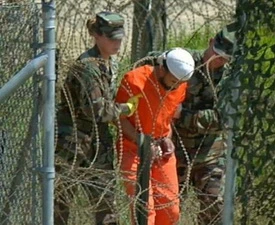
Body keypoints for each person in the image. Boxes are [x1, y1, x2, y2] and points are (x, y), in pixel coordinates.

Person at [54, 11, 140, 225]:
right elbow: (95, 110)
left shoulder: (107, 63)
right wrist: (124, 109)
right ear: (97, 36)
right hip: (73, 142)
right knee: (61, 203)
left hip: (96, 140)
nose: (117, 43)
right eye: (112, 38)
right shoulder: (88, 67)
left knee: (105, 202)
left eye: (120, 38)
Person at [115, 48, 195, 225]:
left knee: (171, 210)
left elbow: (167, 117)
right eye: (173, 82)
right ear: (161, 68)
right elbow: (119, 119)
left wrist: (167, 138)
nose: (175, 87)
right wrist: (143, 142)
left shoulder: (180, 84)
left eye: (179, 84)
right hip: (133, 149)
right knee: (145, 211)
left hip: (161, 151)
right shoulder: (135, 81)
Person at [173, 24, 236, 224]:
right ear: (210, 42)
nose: (217, 61)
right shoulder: (182, 63)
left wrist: (183, 115)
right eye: (216, 54)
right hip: (175, 150)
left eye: (223, 58)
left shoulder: (230, 79)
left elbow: (222, 119)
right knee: (167, 209)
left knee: (215, 206)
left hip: (210, 153)